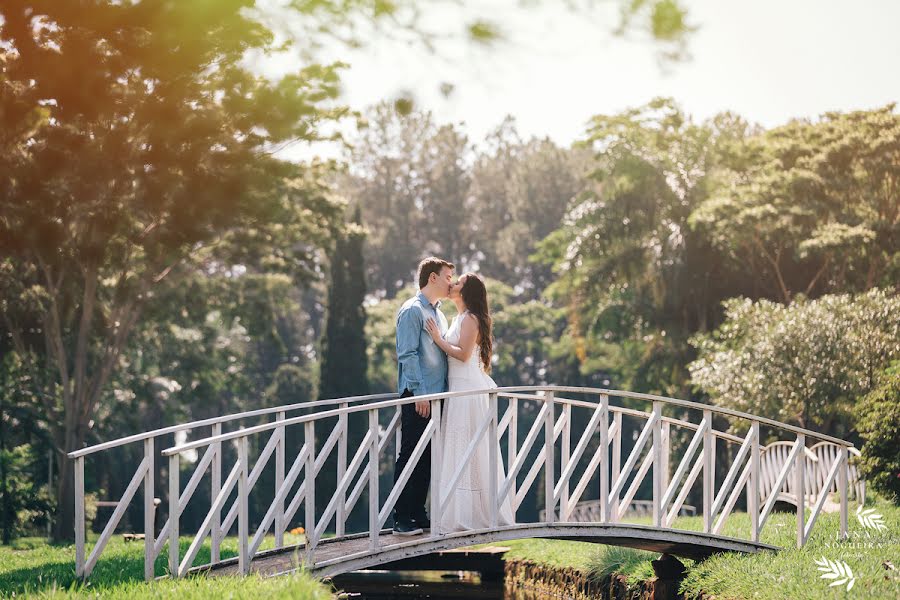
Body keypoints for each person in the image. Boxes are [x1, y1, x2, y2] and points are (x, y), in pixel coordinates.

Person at [425, 273, 515, 532]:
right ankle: (459, 515)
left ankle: (480, 515)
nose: (452, 285)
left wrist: (438, 340)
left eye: (458, 283)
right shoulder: (459, 318)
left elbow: (463, 355)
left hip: (467, 390)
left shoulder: (471, 319)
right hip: (457, 389)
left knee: (470, 449)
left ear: (466, 292)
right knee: (459, 449)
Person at [392, 257, 454, 536]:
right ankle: (402, 518)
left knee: (428, 456)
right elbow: (407, 354)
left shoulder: (439, 314)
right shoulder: (412, 311)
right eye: (448, 277)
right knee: (410, 455)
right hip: (419, 394)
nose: (451, 282)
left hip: (438, 396)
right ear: (432, 278)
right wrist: (419, 393)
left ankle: (418, 513)